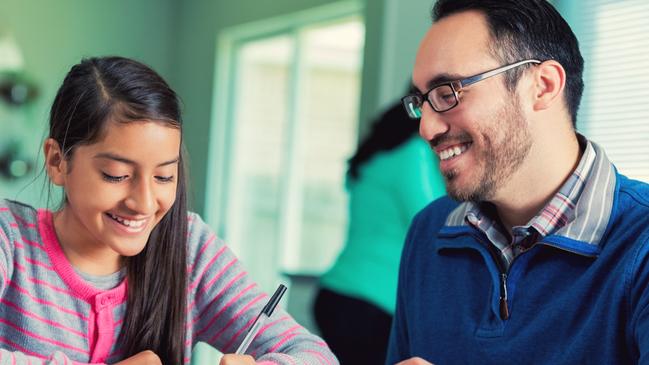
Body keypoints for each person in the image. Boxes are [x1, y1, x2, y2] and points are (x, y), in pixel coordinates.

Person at [0, 56, 338, 365]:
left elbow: (315, 354)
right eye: (117, 175)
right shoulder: (10, 237)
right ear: (57, 161)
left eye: (164, 176)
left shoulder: (190, 249)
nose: (144, 203)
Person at [386, 0, 649, 364]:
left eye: (448, 93)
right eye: (422, 101)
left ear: (542, 86)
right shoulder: (429, 232)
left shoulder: (641, 244)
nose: (427, 128)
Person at [313, 100, 445, 365]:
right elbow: (434, 222)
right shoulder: (412, 155)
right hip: (370, 305)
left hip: (337, 294)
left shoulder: (375, 156)